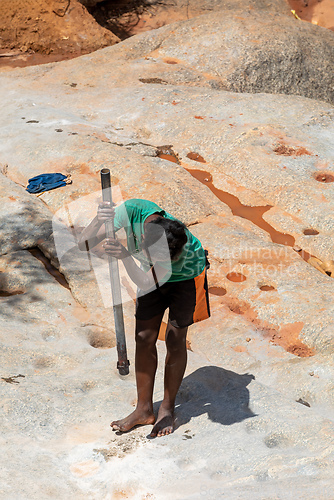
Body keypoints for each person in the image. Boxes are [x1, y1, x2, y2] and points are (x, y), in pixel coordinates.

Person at [78, 199, 210, 437]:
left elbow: (146, 281)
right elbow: (83, 243)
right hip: (150, 274)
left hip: (185, 278)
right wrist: (100, 217)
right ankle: (143, 410)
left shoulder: (182, 249)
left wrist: (126, 257)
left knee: (174, 338)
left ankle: (167, 409)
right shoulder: (132, 212)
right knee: (143, 336)